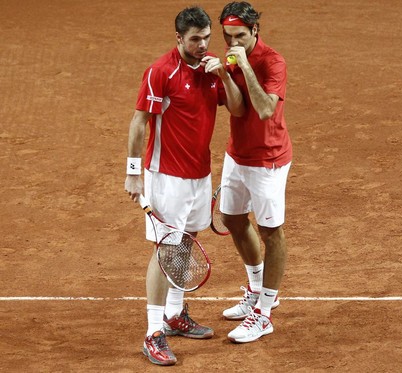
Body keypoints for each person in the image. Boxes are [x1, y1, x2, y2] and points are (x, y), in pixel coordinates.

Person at [124, 6, 244, 366]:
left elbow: (237, 110)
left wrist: (224, 75)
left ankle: (174, 315)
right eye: (195, 39)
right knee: (167, 250)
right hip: (167, 177)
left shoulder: (211, 70)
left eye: (207, 37)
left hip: (199, 174)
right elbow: (138, 122)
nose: (203, 44)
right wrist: (133, 173)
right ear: (179, 38)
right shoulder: (162, 72)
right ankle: (152, 332)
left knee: (187, 243)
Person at [217, 1, 293, 343]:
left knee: (270, 232)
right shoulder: (231, 59)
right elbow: (237, 108)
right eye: (229, 37)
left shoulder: (272, 61)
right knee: (231, 218)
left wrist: (244, 66)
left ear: (255, 32)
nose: (234, 43)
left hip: (268, 160)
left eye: (241, 36)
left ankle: (263, 314)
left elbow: (263, 109)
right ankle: (258, 287)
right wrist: (223, 73)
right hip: (238, 154)